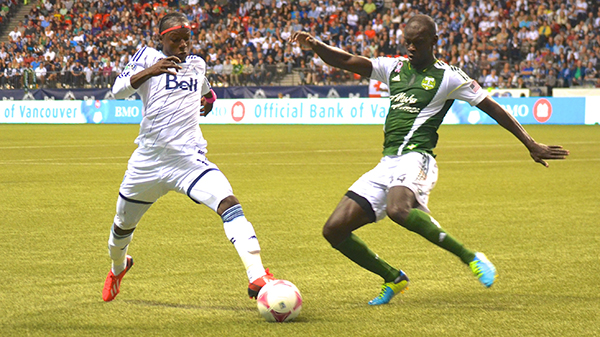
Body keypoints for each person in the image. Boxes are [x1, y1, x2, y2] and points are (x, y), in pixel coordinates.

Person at [291, 14, 569, 306]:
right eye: (408, 42)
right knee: (333, 230)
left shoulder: (449, 76)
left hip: (417, 158)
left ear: (434, 41)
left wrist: (530, 143)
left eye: (418, 42)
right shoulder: (394, 67)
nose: (411, 47)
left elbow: (493, 107)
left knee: (398, 209)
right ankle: (393, 278)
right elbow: (346, 61)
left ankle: (471, 257)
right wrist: (315, 44)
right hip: (387, 163)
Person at [104, 12, 274, 303]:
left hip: (187, 160)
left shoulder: (197, 64)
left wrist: (210, 98)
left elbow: (205, 87)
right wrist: (152, 70)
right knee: (122, 227)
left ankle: (257, 276)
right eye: (176, 40)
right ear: (162, 39)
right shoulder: (145, 57)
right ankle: (118, 267)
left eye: (187, 39)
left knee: (229, 203)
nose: (183, 45)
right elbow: (117, 91)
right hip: (148, 161)